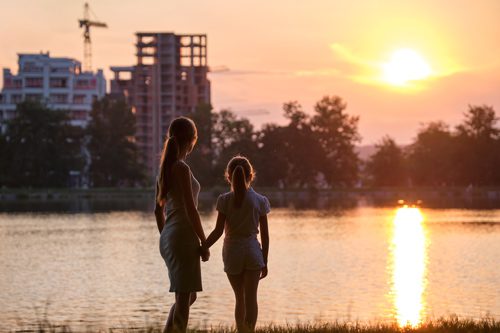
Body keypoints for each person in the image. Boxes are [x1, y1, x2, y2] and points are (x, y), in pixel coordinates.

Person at [154, 116, 210, 333]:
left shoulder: (164, 171)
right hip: (182, 236)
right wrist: (204, 242)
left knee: (186, 296)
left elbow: (158, 211)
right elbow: (190, 209)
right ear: (192, 140)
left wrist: (165, 236)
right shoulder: (181, 168)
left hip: (169, 236)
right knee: (184, 300)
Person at [203, 155, 270, 333]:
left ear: (228, 176)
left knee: (239, 299)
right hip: (253, 252)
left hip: (232, 251)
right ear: (251, 175)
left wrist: (203, 247)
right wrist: (265, 260)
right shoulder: (260, 200)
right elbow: (265, 235)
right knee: (251, 299)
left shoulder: (224, 200)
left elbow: (218, 231)